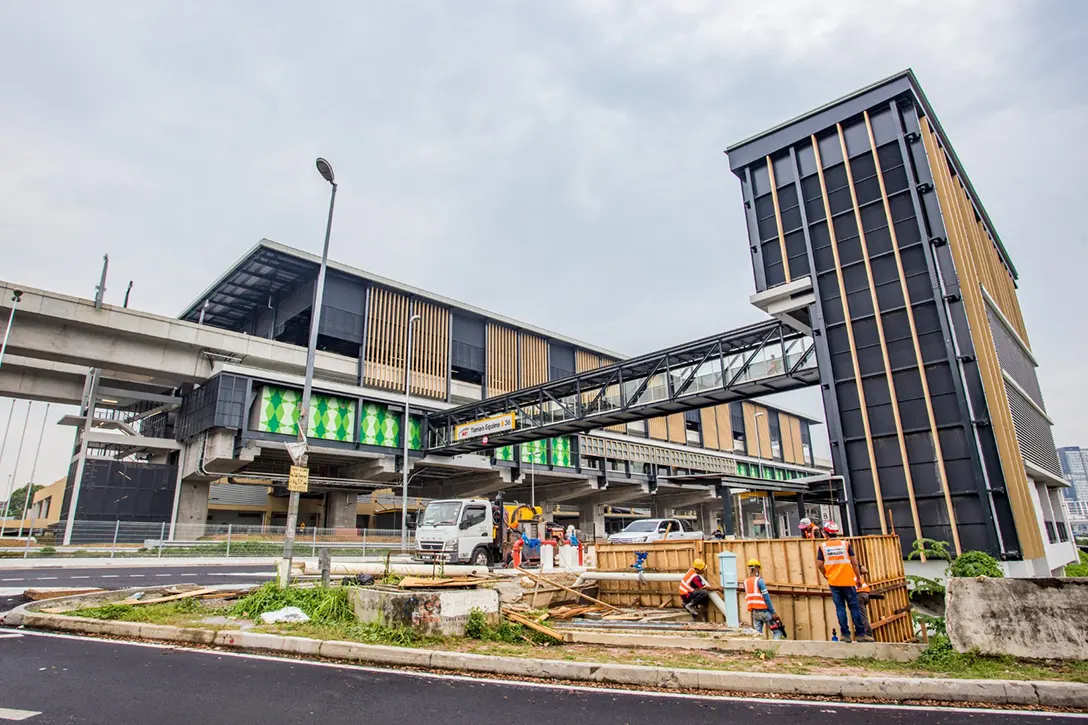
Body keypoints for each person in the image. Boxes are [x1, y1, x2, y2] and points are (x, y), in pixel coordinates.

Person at [816, 522, 873, 643]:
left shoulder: (823, 546)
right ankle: (861, 634)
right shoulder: (846, 545)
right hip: (848, 581)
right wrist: (858, 578)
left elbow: (819, 564)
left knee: (840, 608)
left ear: (824, 533)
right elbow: (855, 563)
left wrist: (826, 575)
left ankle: (845, 635)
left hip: (834, 581)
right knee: (854, 607)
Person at [744, 559, 785, 640]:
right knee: (777, 631)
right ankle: (777, 649)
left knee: (758, 634)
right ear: (757, 568)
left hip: (754, 612)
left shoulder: (745, 582)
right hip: (764, 612)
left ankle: (758, 649)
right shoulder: (759, 581)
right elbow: (766, 598)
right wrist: (773, 612)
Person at [856, 564, 872, 638]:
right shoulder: (855, 567)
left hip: (858, 594)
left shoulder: (845, 569)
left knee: (862, 616)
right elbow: (865, 570)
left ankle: (867, 633)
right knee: (863, 614)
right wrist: (859, 566)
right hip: (865, 593)